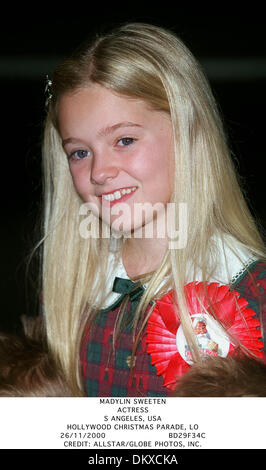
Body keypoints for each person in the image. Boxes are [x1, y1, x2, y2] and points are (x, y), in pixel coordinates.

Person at [41, 22, 265, 397]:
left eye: (124, 140)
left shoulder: (252, 292)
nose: (99, 172)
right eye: (80, 153)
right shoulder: (76, 296)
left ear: (189, 134)